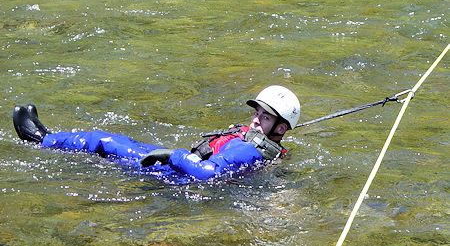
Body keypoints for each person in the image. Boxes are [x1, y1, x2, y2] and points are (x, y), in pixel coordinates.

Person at [12, 85, 300, 183]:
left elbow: (209, 173)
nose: (254, 121)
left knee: (105, 141)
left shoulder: (250, 149)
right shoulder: (266, 149)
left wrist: (171, 155)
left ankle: (40, 138)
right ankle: (45, 138)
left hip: (172, 173)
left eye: (263, 117)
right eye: (256, 113)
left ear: (281, 128)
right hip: (178, 173)